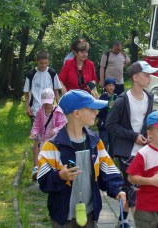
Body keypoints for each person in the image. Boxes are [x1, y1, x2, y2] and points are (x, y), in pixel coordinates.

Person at [38, 90, 126, 227]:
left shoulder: (95, 142)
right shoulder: (52, 146)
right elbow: (43, 181)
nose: (96, 113)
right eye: (91, 109)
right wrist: (60, 176)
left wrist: (117, 190)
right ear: (77, 113)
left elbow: (107, 170)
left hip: (90, 213)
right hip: (63, 217)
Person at [106, 60, 158, 228]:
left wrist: (148, 136)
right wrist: (133, 136)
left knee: (129, 187)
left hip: (143, 150)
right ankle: (140, 224)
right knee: (135, 187)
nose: (150, 78)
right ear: (136, 77)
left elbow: (148, 123)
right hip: (125, 151)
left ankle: (122, 221)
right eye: (146, 75)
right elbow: (110, 125)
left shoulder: (150, 97)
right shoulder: (122, 100)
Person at [29, 88, 67, 180]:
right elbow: (36, 124)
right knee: (43, 156)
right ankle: (42, 174)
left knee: (53, 157)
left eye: (48, 102)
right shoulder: (40, 112)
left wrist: (55, 130)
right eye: (45, 103)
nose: (47, 105)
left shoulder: (58, 111)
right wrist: (34, 132)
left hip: (55, 140)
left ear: (53, 100)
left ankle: (54, 174)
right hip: (43, 139)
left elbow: (63, 124)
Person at [23, 51, 62, 124]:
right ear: (37, 61)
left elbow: (56, 90)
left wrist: (59, 105)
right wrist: (27, 106)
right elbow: (26, 92)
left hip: (49, 109)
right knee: (36, 133)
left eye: (46, 63)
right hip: (35, 110)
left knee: (49, 133)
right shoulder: (31, 74)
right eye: (41, 63)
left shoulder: (52, 73)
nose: (44, 65)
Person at [96, 78, 117, 152]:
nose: (111, 87)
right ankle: (103, 156)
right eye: (109, 85)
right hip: (103, 122)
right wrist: (108, 106)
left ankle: (111, 158)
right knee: (104, 141)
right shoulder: (102, 97)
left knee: (112, 142)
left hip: (112, 123)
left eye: (113, 85)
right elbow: (99, 110)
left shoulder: (116, 97)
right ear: (105, 87)